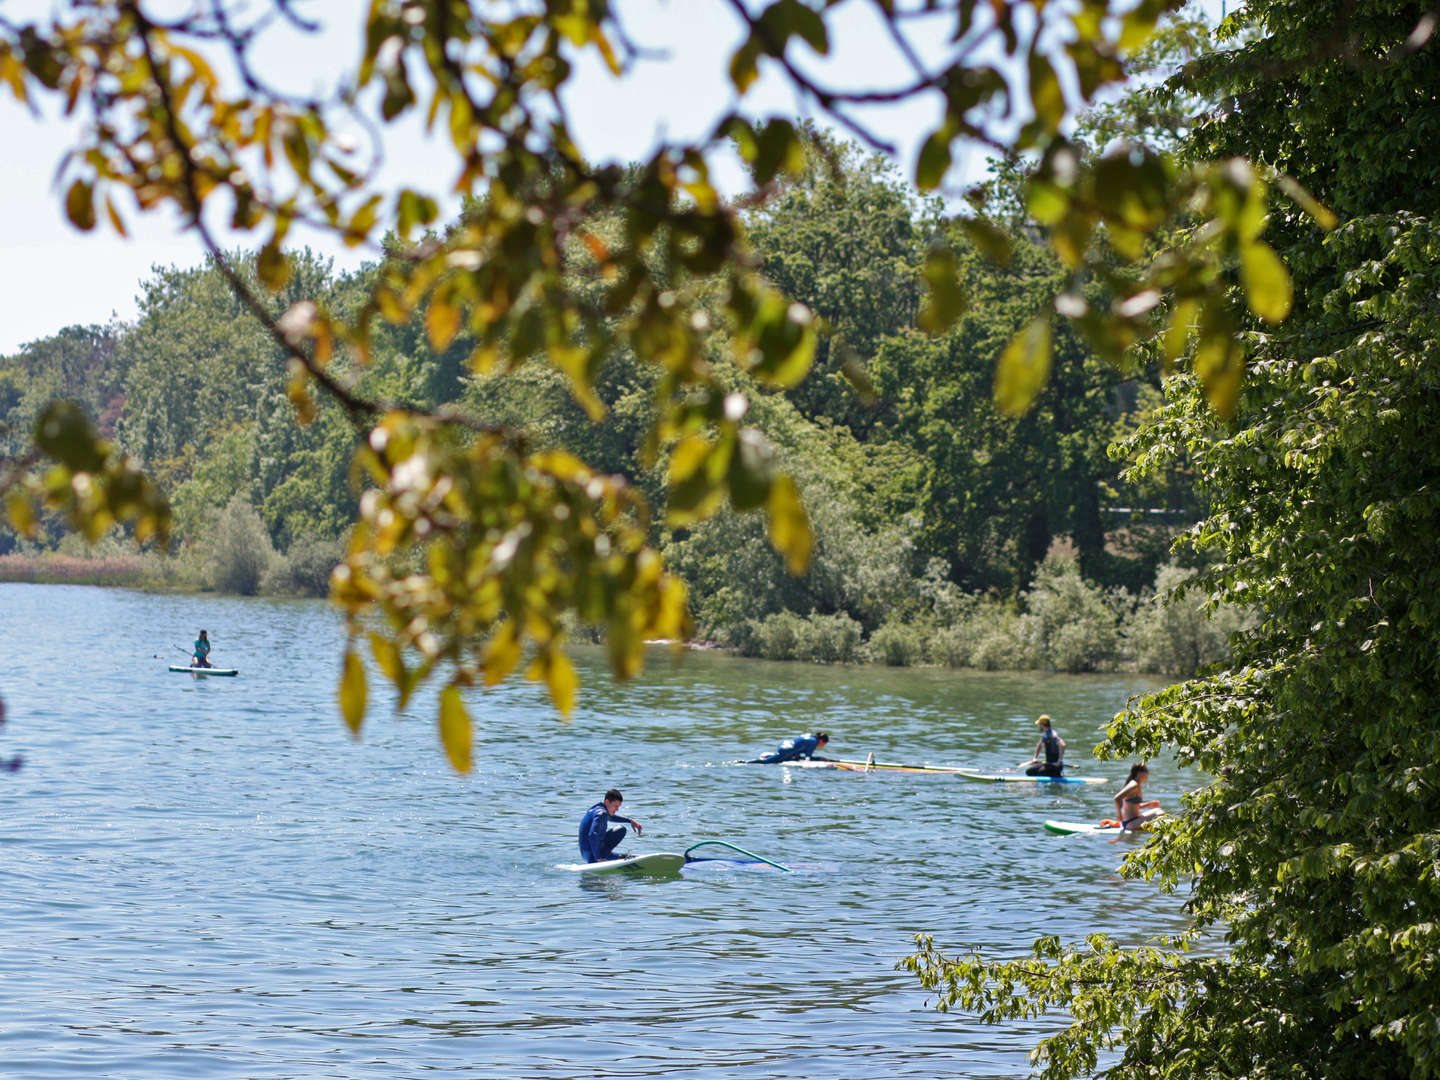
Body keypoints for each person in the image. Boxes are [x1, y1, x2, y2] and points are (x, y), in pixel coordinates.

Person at [578, 789, 643, 863]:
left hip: (587, 854)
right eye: (615, 806)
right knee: (621, 830)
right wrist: (598, 858)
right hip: (592, 855)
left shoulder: (599, 810)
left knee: (620, 829)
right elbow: (592, 835)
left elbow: (611, 817)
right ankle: (601, 858)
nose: (617, 809)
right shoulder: (601, 814)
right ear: (607, 802)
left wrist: (630, 821)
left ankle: (617, 857)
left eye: (618, 807)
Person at [1113, 763, 1162, 831]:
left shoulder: (1136, 784)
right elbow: (1117, 798)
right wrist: (1119, 816)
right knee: (1160, 813)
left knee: (1159, 810)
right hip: (1130, 823)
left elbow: (1135, 806)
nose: (1148, 774)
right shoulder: (1134, 784)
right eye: (1146, 771)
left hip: (1134, 820)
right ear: (1140, 773)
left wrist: (1149, 804)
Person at [748, 731, 830, 764]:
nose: (823, 746)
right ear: (822, 741)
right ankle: (746, 762)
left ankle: (770, 755)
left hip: (784, 745)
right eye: (824, 744)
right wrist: (808, 764)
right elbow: (807, 757)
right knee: (767, 762)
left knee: (795, 757)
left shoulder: (809, 736)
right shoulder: (813, 742)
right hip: (787, 751)